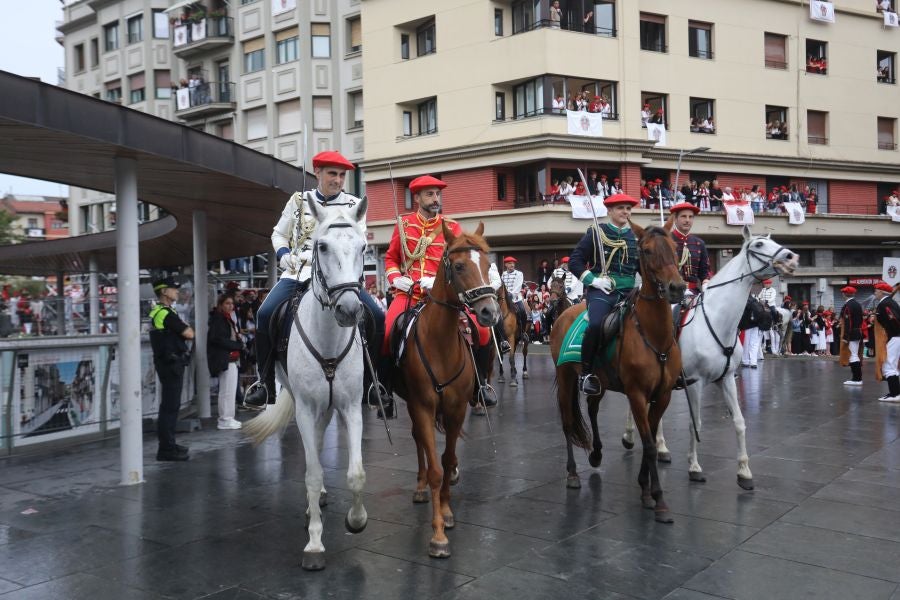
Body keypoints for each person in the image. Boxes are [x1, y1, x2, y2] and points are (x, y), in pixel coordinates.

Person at [245, 150, 384, 409]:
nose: (338, 180)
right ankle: (264, 384)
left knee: (377, 315)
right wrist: (285, 255)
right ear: (317, 173)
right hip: (298, 273)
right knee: (265, 314)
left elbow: (358, 241)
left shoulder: (354, 206)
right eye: (333, 173)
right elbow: (278, 235)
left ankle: (373, 383)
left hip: (340, 278)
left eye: (342, 175)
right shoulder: (299, 201)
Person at [384, 175, 499, 414]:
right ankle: (384, 388)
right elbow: (391, 259)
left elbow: (460, 261)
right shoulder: (403, 225)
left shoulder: (452, 226)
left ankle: (479, 387)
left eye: (437, 194)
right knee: (386, 331)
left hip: (442, 295)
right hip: (410, 294)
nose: (435, 199)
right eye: (430, 194)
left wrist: (435, 281)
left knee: (484, 332)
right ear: (417, 197)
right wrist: (397, 279)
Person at [569, 193, 640, 394]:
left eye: (628, 208)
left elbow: (643, 267)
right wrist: (594, 280)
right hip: (603, 291)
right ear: (609, 211)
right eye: (620, 208)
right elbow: (575, 261)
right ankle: (587, 373)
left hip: (630, 292)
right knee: (596, 324)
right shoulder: (596, 232)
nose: (625, 212)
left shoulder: (635, 237)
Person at [149, 277, 195, 461]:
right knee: (170, 407)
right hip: (171, 364)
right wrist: (186, 330)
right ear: (164, 292)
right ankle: (166, 449)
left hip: (168, 363)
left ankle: (169, 444)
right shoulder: (165, 313)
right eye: (173, 289)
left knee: (169, 406)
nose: (177, 291)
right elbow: (189, 333)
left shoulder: (162, 312)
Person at [208, 294, 244, 430]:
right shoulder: (218, 319)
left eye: (232, 303)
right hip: (225, 358)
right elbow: (217, 339)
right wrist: (237, 345)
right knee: (226, 390)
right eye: (227, 303)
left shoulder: (226, 318)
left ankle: (229, 417)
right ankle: (224, 419)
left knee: (230, 389)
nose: (231, 306)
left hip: (230, 358)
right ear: (221, 305)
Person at [669, 202, 710, 296]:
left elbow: (705, 271)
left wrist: (706, 283)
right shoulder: (666, 240)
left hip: (694, 293)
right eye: (683, 216)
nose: (687, 220)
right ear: (675, 219)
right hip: (671, 293)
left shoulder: (699, 243)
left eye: (690, 217)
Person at [873, 282, 900, 401]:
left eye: (876, 290)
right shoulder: (889, 302)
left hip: (893, 337)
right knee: (891, 365)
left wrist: (889, 334)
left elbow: (894, 319)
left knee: (889, 366)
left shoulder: (884, 303)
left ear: (881, 292)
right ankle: (895, 393)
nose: (874, 292)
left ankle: (895, 394)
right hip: (895, 336)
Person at [500, 256, 528, 343]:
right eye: (509, 263)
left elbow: (518, 285)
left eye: (513, 263)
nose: (512, 265)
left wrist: (511, 293)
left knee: (522, 311)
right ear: (506, 265)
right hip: (504, 298)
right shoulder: (503, 274)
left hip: (515, 298)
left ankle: (523, 332)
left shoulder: (519, 273)